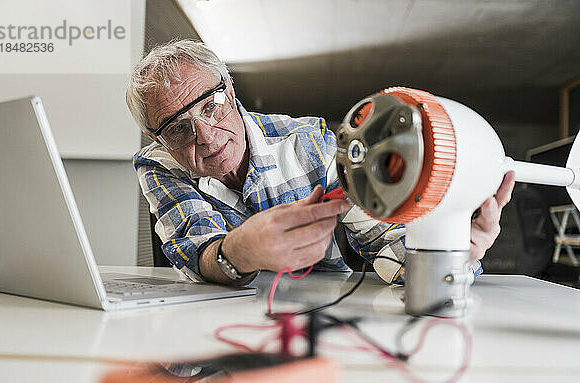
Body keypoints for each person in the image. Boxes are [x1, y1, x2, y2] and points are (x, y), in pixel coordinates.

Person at [126, 39, 515, 286]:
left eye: (212, 106)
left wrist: (448, 255)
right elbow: (195, 250)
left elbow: (383, 241)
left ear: (230, 90)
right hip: (205, 328)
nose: (207, 137)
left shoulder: (308, 142)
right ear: (156, 138)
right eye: (179, 129)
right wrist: (241, 250)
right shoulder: (158, 164)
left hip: (320, 319)